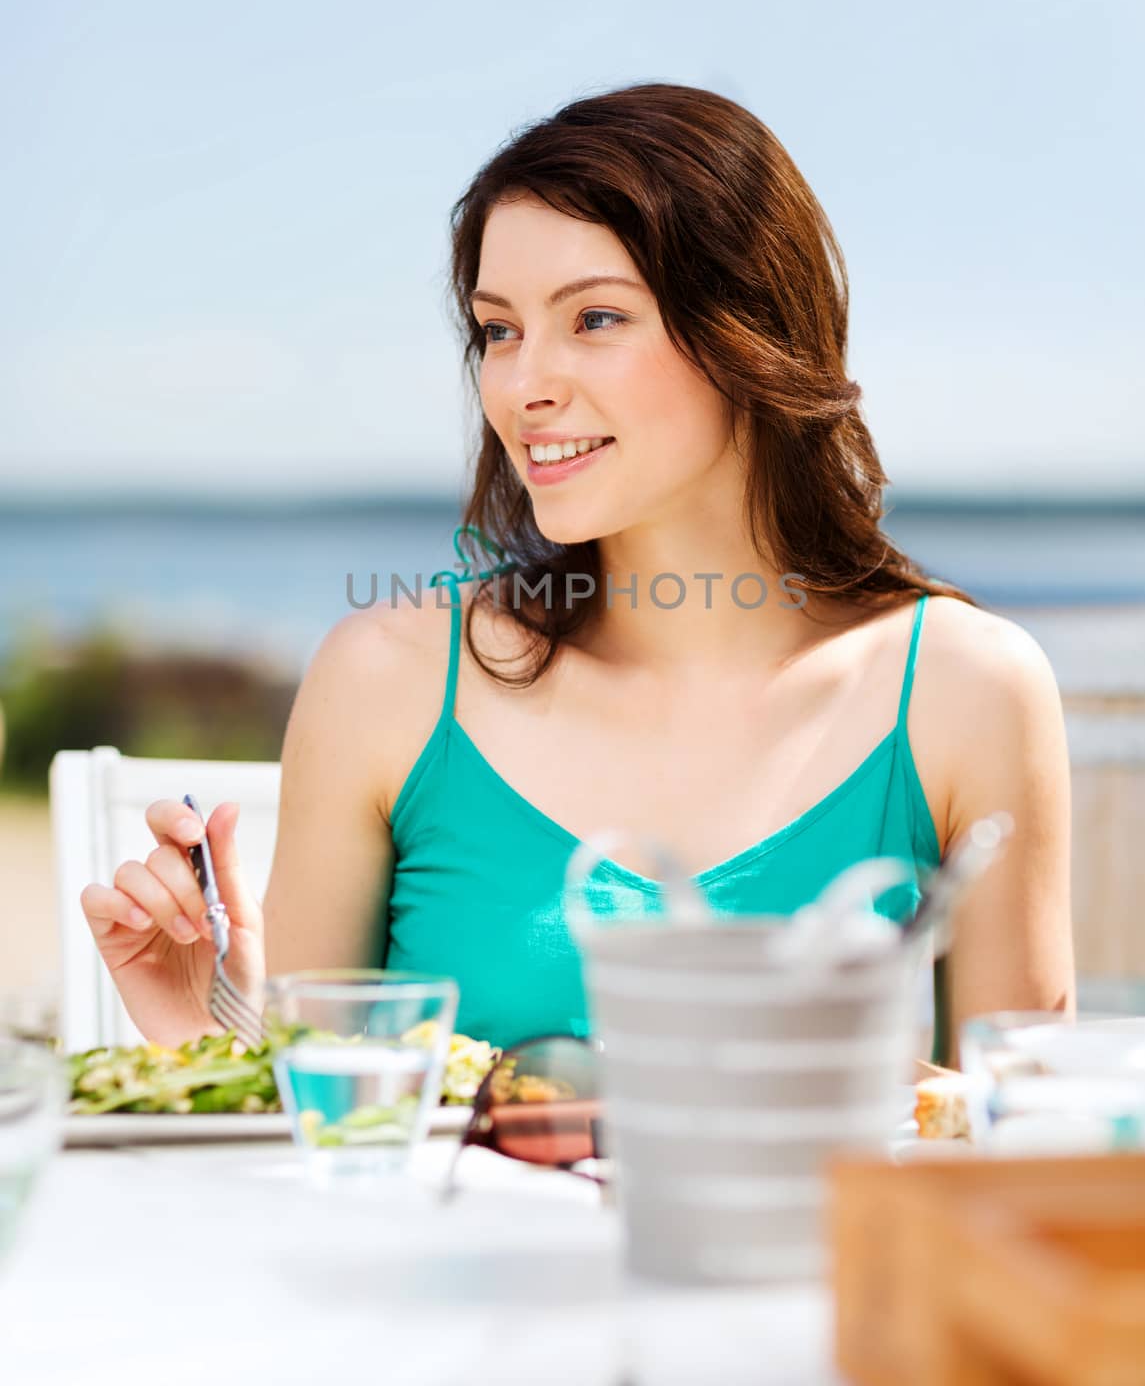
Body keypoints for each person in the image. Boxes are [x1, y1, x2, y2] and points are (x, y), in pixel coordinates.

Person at [79, 83, 1075, 1065]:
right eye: (498, 329)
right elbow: (326, 1139)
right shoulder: (384, 680)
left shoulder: (966, 690)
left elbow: (1029, 1163)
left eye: (594, 318)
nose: (521, 385)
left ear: (751, 329)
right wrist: (208, 1032)